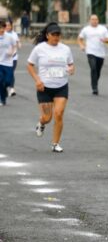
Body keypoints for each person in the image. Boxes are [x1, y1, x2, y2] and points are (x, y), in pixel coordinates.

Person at [27, 23, 75, 152]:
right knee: (47, 118)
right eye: (53, 34)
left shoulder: (65, 49)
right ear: (47, 35)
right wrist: (37, 80)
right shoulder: (39, 49)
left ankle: (55, 144)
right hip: (44, 87)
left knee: (58, 114)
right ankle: (41, 123)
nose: (56, 37)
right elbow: (30, 65)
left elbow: (71, 65)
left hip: (61, 86)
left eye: (58, 34)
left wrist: (71, 69)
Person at [77, 14, 108, 95]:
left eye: (96, 19)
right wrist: (81, 45)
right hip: (90, 52)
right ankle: (94, 87)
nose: (94, 21)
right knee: (93, 68)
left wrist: (105, 40)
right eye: (92, 19)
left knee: (98, 71)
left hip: (100, 53)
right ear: (90, 20)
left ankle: (95, 82)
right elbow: (79, 38)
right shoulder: (86, 29)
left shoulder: (103, 29)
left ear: (98, 20)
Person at [0, 18, 17, 106]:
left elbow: (15, 45)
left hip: (8, 63)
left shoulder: (9, 37)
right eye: (0, 28)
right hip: (0, 63)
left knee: (7, 81)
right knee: (0, 81)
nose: (1, 30)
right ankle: (2, 100)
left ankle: (4, 91)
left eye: (3, 27)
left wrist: (12, 52)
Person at [5, 19, 20, 97]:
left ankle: (12, 89)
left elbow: (17, 43)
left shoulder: (14, 34)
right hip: (3, 59)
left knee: (11, 73)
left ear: (11, 26)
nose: (7, 27)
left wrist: (19, 45)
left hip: (13, 57)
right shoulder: (2, 34)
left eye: (9, 25)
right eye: (6, 25)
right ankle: (4, 88)